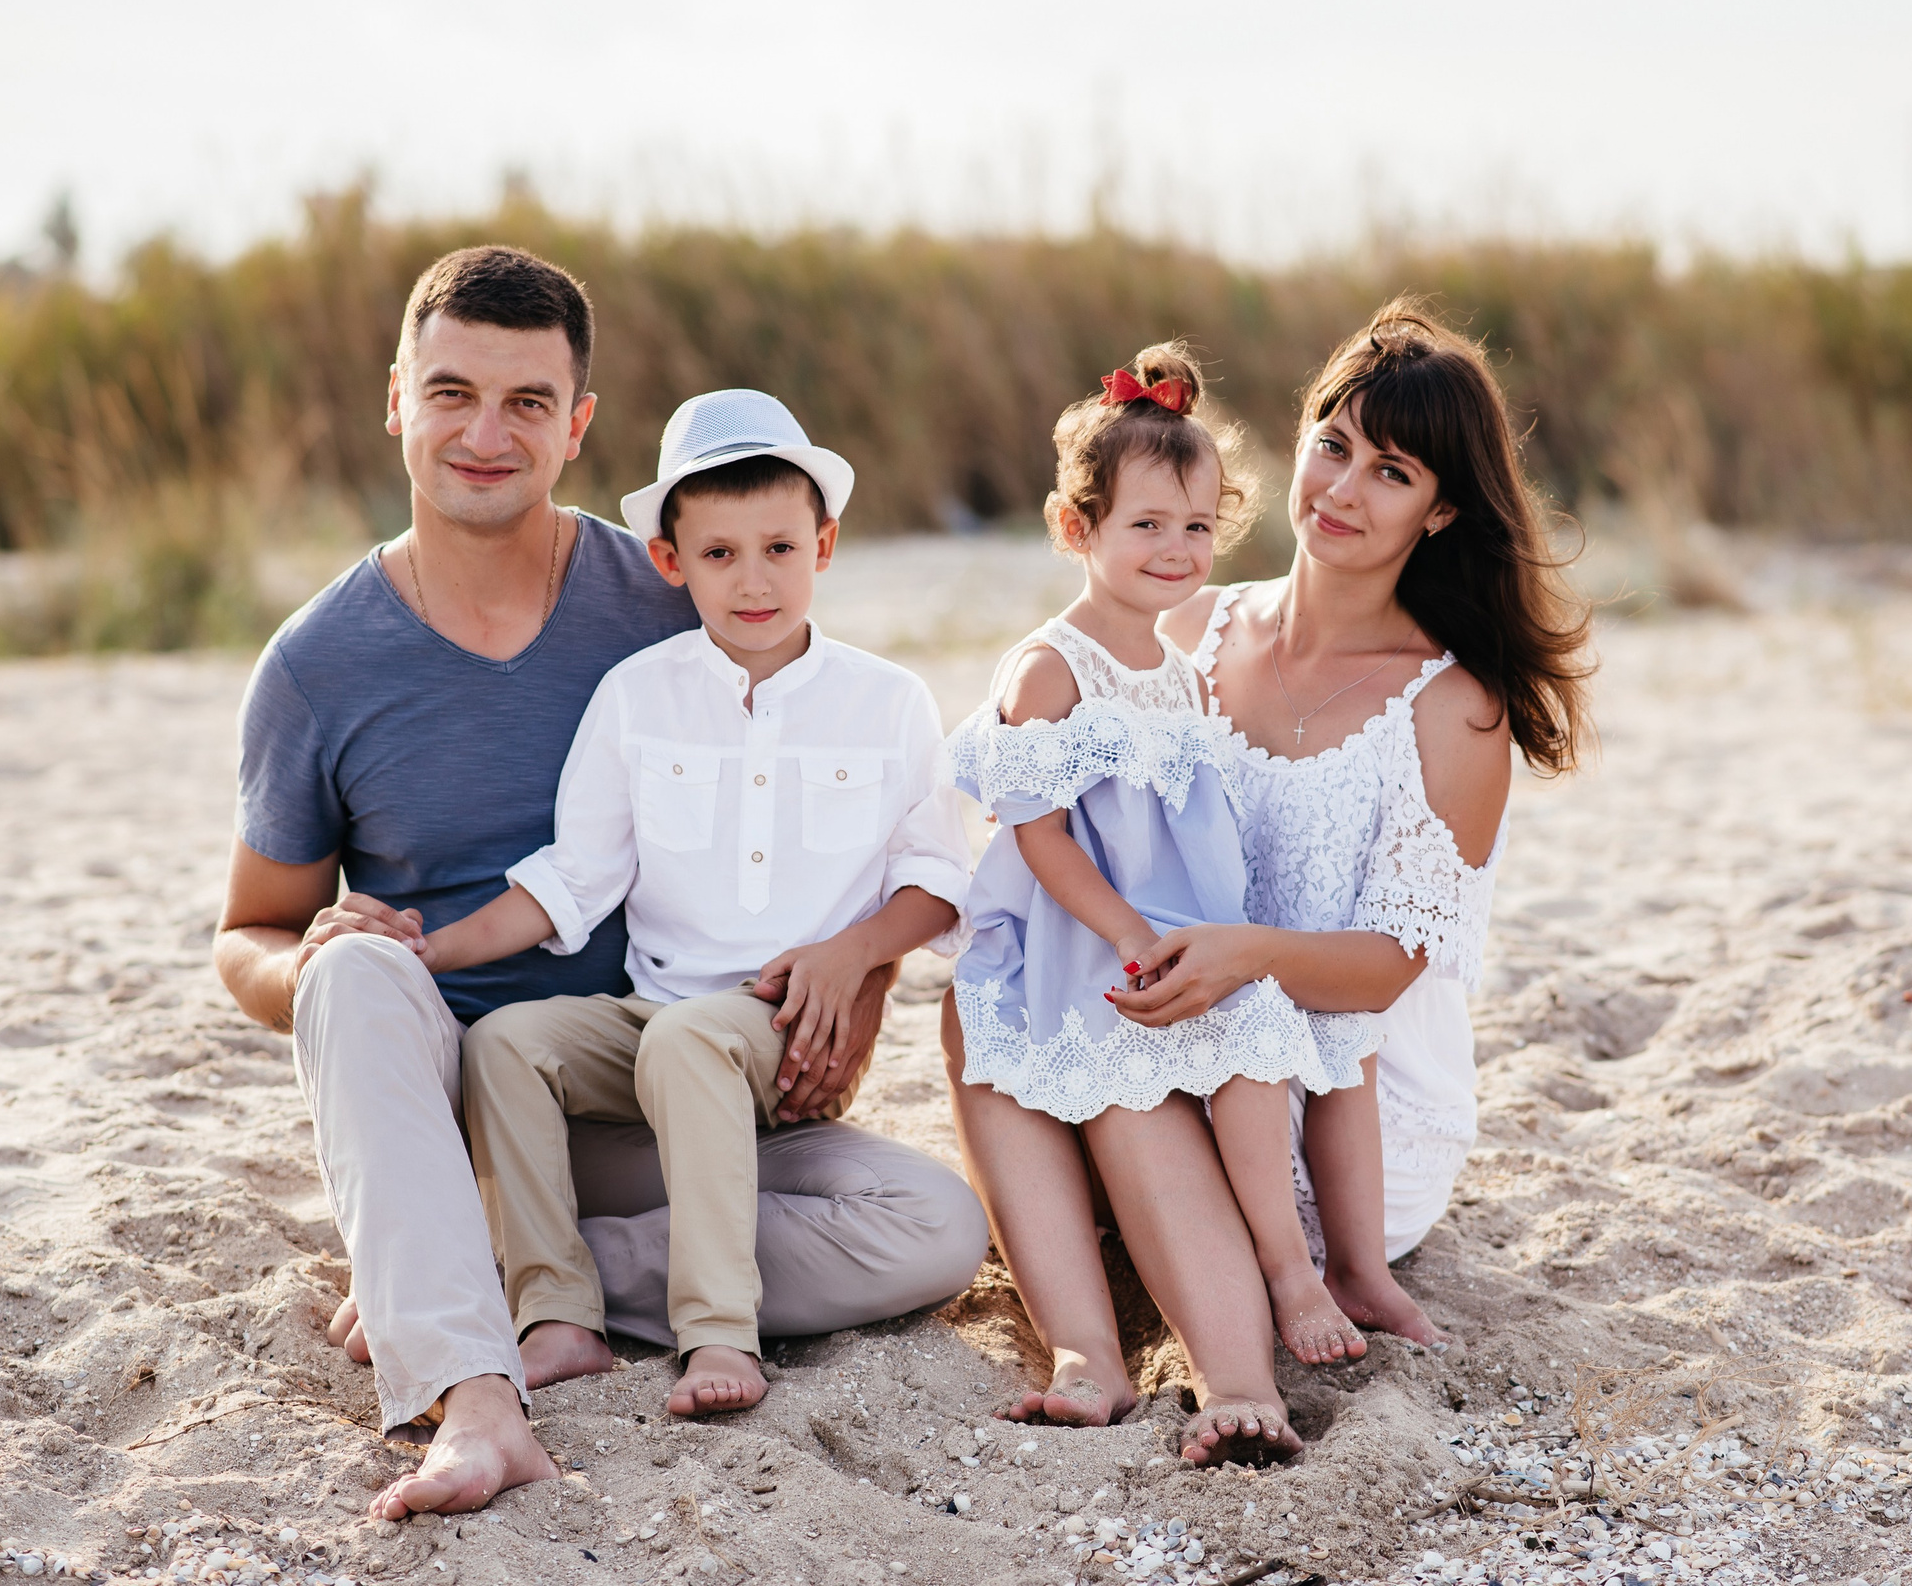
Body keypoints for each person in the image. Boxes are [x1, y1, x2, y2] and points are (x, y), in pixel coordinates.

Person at [213, 247, 986, 1523]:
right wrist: (333, 957)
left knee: (932, 1228)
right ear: (395, 398)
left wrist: (859, 978)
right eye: (451, 391)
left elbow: (822, 792)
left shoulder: (681, 589)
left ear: (577, 425)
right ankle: (472, 1392)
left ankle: (482, 1264)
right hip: (457, 1092)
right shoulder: (319, 662)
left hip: (667, 1093)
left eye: (527, 402)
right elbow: (247, 927)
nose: (484, 431)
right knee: (356, 964)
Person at [436, 389, 971, 1420]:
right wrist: (423, 948)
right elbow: (572, 879)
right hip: (652, 1034)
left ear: (826, 544)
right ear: (670, 562)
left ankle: (708, 1324)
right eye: (719, 554)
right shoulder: (637, 694)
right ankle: (557, 1310)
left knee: (941, 1225)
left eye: (779, 546)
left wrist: (849, 954)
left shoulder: (887, 699)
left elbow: (938, 875)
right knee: (505, 1039)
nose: (754, 578)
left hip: (775, 1030)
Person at [1133, 297, 1593, 1336]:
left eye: (1390, 472)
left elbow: (1391, 964)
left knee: (1146, 1127)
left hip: (1362, 1105)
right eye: (1332, 445)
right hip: (1192, 1021)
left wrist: (1241, 954)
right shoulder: (1185, 625)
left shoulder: (1452, 704)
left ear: (1438, 511)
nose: (1341, 489)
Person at [949, 344, 1383, 1370]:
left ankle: (1289, 1265)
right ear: (1076, 526)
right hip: (1086, 930)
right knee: (1191, 1028)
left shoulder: (1177, 666)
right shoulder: (1053, 666)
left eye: (1196, 526)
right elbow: (1040, 838)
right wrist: (1132, 933)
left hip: (1173, 921)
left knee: (1252, 1031)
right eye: (1146, 524)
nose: (1176, 549)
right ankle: (1239, 1290)